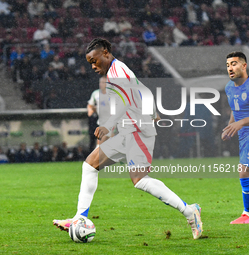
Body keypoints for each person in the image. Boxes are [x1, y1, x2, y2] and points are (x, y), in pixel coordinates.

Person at [53, 38, 203, 240]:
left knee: (140, 180)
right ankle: (79, 218)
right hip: (128, 131)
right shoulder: (117, 71)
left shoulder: (118, 72)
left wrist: (108, 126)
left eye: (95, 60)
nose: (93, 66)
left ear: (105, 52)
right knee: (90, 166)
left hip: (138, 130)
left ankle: (189, 211)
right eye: (90, 63)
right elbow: (141, 91)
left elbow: (124, 102)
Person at [222, 51, 249, 224]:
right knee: (244, 171)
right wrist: (230, 126)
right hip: (243, 136)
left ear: (244, 65)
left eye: (234, 64)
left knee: (244, 170)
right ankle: (247, 213)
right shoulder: (229, 88)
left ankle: (247, 214)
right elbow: (235, 108)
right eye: (227, 65)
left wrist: (241, 123)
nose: (230, 68)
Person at [87, 76, 111, 151]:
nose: (101, 84)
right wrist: (90, 110)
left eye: (103, 82)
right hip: (102, 122)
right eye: (100, 82)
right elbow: (90, 105)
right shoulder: (96, 93)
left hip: (112, 123)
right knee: (101, 143)